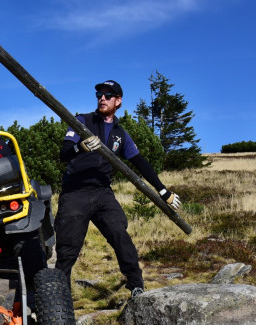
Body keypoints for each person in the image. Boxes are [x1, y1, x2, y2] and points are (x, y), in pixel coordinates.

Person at [54, 80, 181, 297]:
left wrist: (163, 191)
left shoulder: (121, 134)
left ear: (118, 101)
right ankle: (59, 300)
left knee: (119, 234)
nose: (102, 98)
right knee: (67, 250)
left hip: (103, 193)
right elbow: (64, 154)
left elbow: (140, 162)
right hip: (75, 192)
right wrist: (79, 146)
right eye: (99, 94)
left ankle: (136, 285)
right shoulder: (82, 121)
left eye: (108, 95)